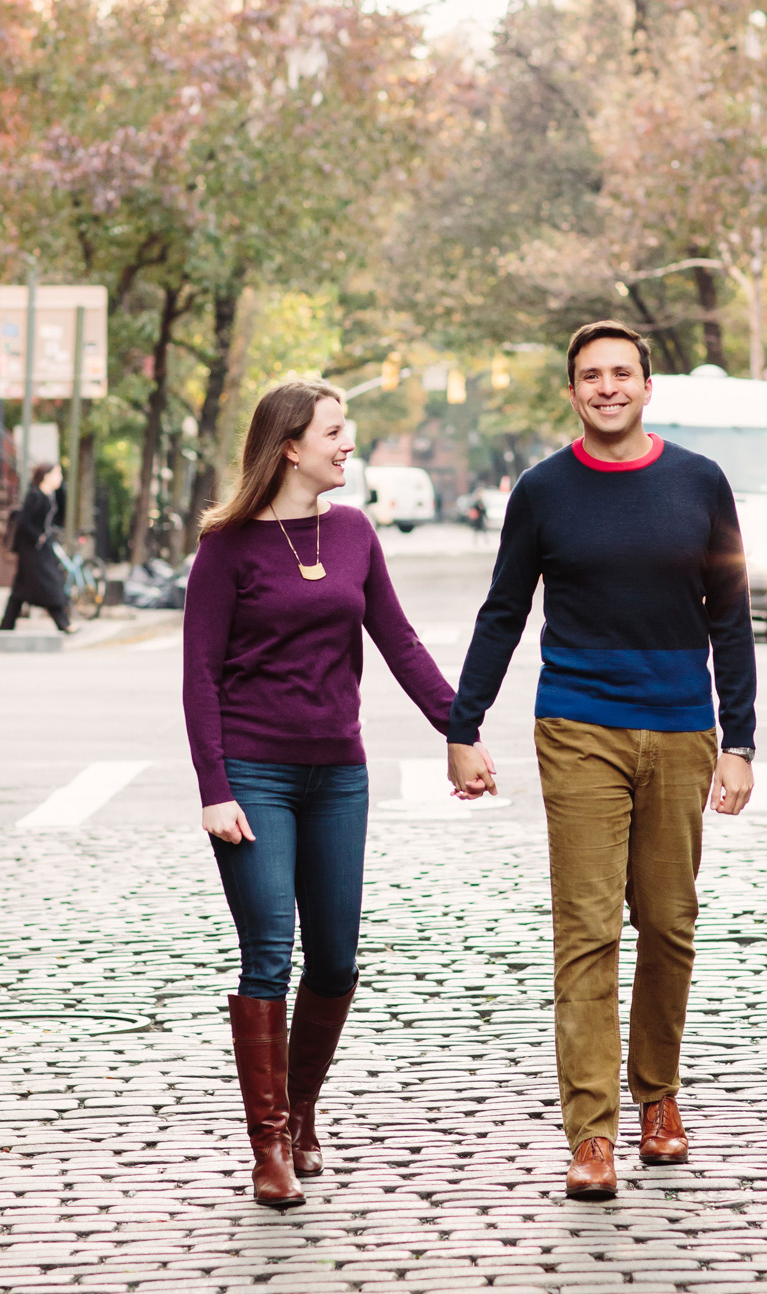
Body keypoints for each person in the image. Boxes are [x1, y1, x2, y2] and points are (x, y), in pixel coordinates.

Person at [444, 319, 757, 1201]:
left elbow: (729, 615)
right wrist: (463, 724)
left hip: (682, 726)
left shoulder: (699, 482)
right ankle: (592, 1133)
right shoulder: (543, 492)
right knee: (585, 930)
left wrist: (739, 740)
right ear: (573, 391)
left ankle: (658, 1095)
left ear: (648, 386)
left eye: (623, 373)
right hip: (578, 724)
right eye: (591, 375)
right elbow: (503, 611)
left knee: (668, 922)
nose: (608, 387)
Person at [182, 379, 492, 1209]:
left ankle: (303, 1105)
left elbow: (398, 640)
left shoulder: (353, 533)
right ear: (290, 446)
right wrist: (215, 786)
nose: (348, 443)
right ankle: (270, 1143)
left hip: (338, 774)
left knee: (338, 959)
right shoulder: (228, 545)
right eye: (334, 430)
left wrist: (457, 729)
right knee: (268, 955)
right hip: (254, 772)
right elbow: (199, 677)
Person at [3, 462, 74, 633]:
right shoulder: (35, 495)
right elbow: (24, 522)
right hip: (32, 549)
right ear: (46, 476)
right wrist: (38, 536)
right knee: (49, 583)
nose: (60, 478)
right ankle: (63, 623)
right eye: (57, 474)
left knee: (20, 589)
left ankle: (6, 625)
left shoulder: (50, 495)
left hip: (41, 548)